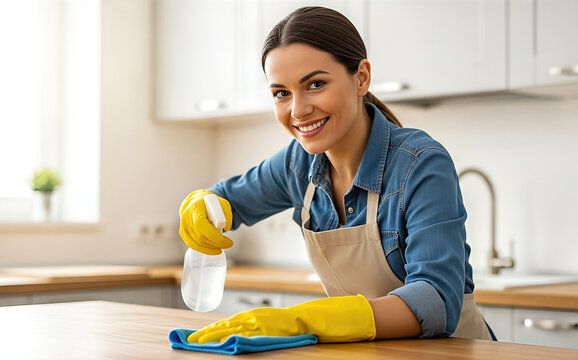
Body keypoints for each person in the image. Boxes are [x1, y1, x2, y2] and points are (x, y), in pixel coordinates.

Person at [178, 6, 495, 344]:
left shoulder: (420, 164)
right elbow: (226, 199)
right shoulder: (297, 165)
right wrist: (203, 206)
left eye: (315, 84)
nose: (298, 110)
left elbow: (435, 302)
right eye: (281, 93)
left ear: (361, 77)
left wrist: (302, 321)